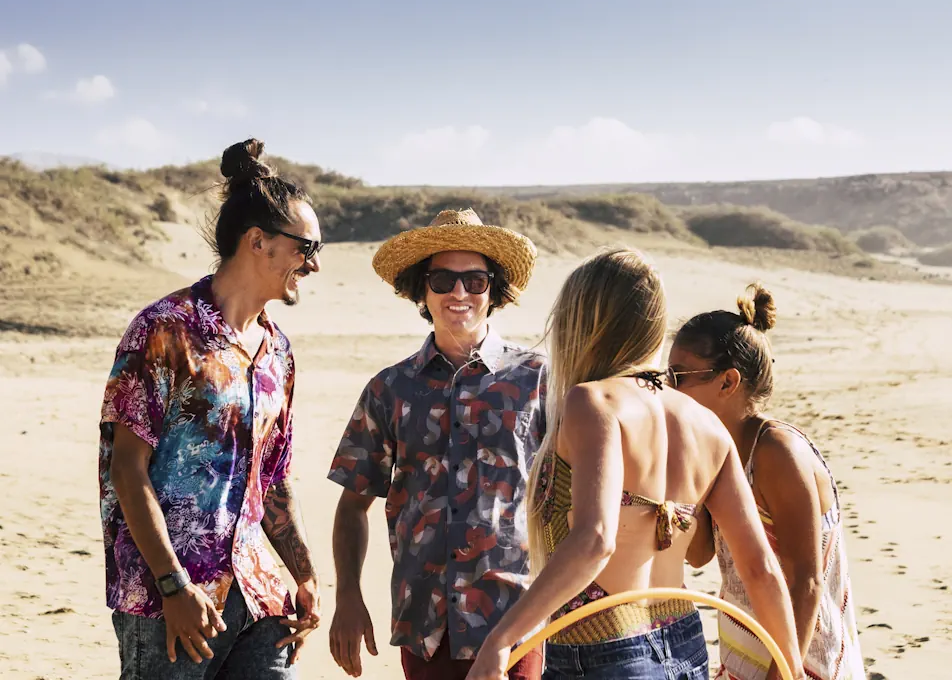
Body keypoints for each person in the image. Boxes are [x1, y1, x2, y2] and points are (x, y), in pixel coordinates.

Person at [464, 248, 803, 680]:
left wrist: (500, 641)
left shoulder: (594, 402)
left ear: (585, 324)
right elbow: (761, 569)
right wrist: (790, 668)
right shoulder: (707, 424)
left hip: (603, 654)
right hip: (686, 645)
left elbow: (596, 540)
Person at [99, 139, 324, 679]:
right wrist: (174, 586)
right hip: (171, 601)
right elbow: (127, 469)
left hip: (260, 596)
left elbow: (272, 479)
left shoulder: (278, 353)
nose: (312, 265)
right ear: (257, 242)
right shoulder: (165, 330)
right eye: (306, 248)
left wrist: (306, 575)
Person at [326, 208, 546, 680]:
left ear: (495, 289)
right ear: (422, 290)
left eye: (475, 280)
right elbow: (351, 508)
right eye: (443, 279)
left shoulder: (539, 380)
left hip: (516, 623)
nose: (459, 293)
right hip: (424, 627)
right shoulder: (389, 389)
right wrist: (348, 596)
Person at [673, 284, 867, 680]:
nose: (669, 390)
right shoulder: (714, 448)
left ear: (728, 382)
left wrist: (783, 671)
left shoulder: (777, 452)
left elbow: (806, 580)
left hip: (804, 660)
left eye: (680, 377)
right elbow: (699, 554)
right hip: (745, 653)